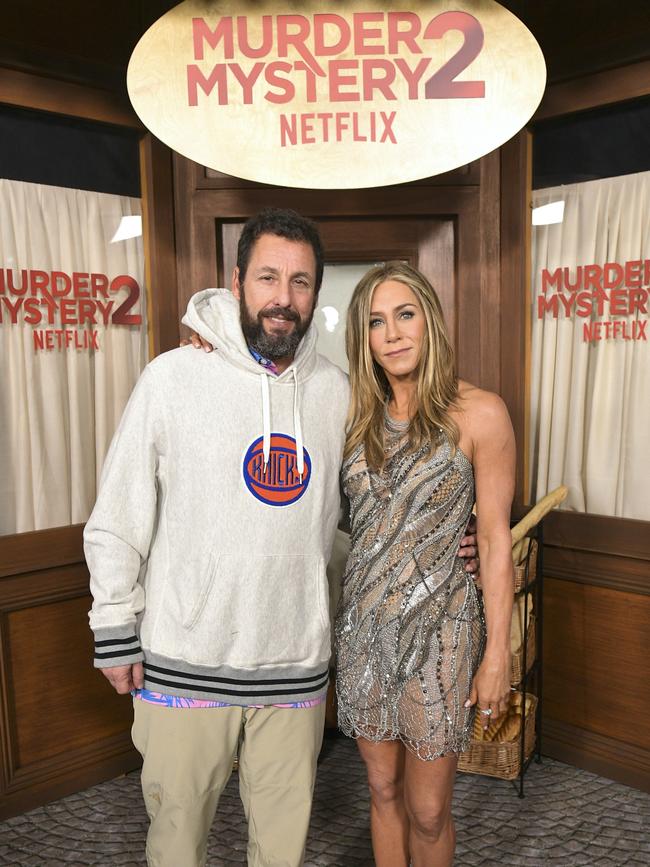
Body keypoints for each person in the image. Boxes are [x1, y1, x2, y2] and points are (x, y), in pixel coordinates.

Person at [88, 208, 479, 867]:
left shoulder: (339, 393)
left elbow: (370, 502)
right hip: (186, 659)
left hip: (293, 670)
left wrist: (444, 536)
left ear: (315, 294)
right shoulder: (173, 378)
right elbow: (118, 514)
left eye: (301, 282)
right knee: (177, 844)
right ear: (236, 281)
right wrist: (112, 624)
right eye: (268, 277)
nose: (283, 297)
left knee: (281, 851)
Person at [334, 262, 514, 867]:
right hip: (365, 631)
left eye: (404, 314)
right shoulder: (351, 417)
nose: (393, 333)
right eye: (376, 322)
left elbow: (492, 541)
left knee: (430, 810)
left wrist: (498, 654)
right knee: (382, 790)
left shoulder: (480, 413)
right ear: (364, 338)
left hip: (443, 636)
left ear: (429, 321)